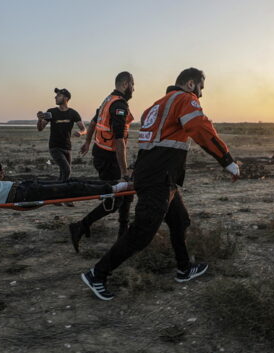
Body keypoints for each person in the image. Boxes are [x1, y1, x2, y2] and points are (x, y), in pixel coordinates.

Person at [80, 68, 241, 301]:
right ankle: (98, 274)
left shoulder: (155, 106)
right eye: (201, 88)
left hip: (160, 176)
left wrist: (136, 171)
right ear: (190, 84)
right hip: (159, 178)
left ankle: (184, 269)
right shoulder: (186, 99)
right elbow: (200, 129)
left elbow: (149, 143)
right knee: (143, 231)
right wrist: (227, 161)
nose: (201, 94)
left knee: (180, 220)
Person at [68, 72, 135, 252]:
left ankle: (123, 233)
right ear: (125, 84)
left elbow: (92, 123)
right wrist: (124, 172)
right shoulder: (118, 104)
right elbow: (119, 140)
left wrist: (88, 142)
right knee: (115, 199)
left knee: (126, 193)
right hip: (108, 158)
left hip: (102, 154)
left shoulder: (108, 100)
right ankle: (81, 225)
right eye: (133, 85)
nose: (134, 89)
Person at [0, 155, 131, 206]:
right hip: (19, 195)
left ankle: (112, 185)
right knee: (72, 186)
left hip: (20, 186)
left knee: (71, 182)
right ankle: (115, 188)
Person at [36, 88, 86, 182]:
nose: (55, 97)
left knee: (64, 174)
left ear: (66, 98)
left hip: (67, 147)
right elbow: (40, 128)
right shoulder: (51, 112)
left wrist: (80, 133)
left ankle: (60, 190)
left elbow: (84, 129)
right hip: (55, 147)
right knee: (67, 170)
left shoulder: (73, 113)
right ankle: (60, 189)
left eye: (58, 95)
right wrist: (39, 120)